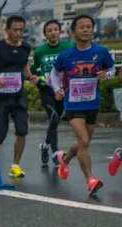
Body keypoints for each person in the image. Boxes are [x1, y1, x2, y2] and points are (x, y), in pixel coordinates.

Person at [51, 14, 116, 195]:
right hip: (72, 104)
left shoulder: (101, 52)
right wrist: (57, 90)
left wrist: (107, 75)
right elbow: (54, 74)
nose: (86, 29)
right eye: (82, 27)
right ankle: (90, 180)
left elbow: (112, 69)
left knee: (83, 143)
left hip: (92, 103)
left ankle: (65, 158)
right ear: (73, 32)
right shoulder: (66, 55)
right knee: (84, 140)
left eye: (89, 26)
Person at [0, 16, 37, 178]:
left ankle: (15, 165)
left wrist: (30, 77)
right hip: (1, 96)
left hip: (18, 96)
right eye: (15, 29)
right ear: (7, 30)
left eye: (21, 30)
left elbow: (25, 68)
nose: (18, 33)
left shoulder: (25, 47)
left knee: (22, 130)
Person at [32, 19, 72, 167]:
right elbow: (33, 68)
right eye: (49, 30)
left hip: (62, 89)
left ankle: (45, 145)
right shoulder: (39, 51)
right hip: (46, 89)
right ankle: (56, 152)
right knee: (54, 117)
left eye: (56, 29)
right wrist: (34, 78)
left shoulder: (68, 47)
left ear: (60, 32)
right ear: (45, 34)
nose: (53, 32)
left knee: (56, 119)